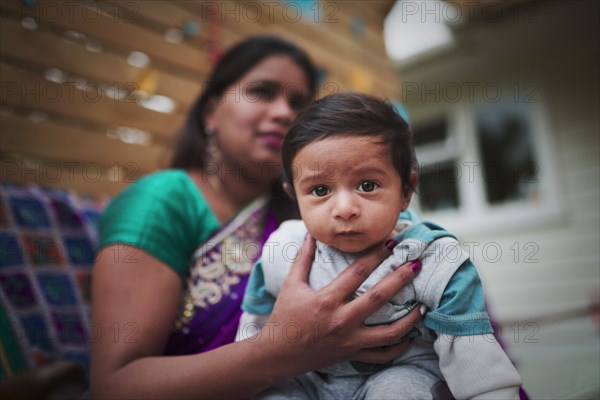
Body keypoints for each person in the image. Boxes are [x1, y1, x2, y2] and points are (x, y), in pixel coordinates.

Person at [90, 37, 423, 399]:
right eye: (262, 92)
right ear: (210, 113)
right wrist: (278, 352)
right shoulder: (163, 202)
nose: (284, 113)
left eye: (298, 103)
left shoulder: (320, 214)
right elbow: (115, 386)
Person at [238, 93, 524, 399]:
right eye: (320, 190)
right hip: (309, 379)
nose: (345, 208)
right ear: (295, 197)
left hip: (402, 371)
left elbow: (472, 350)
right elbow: (255, 320)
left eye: (367, 185)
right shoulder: (284, 248)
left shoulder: (431, 255)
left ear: (406, 190)